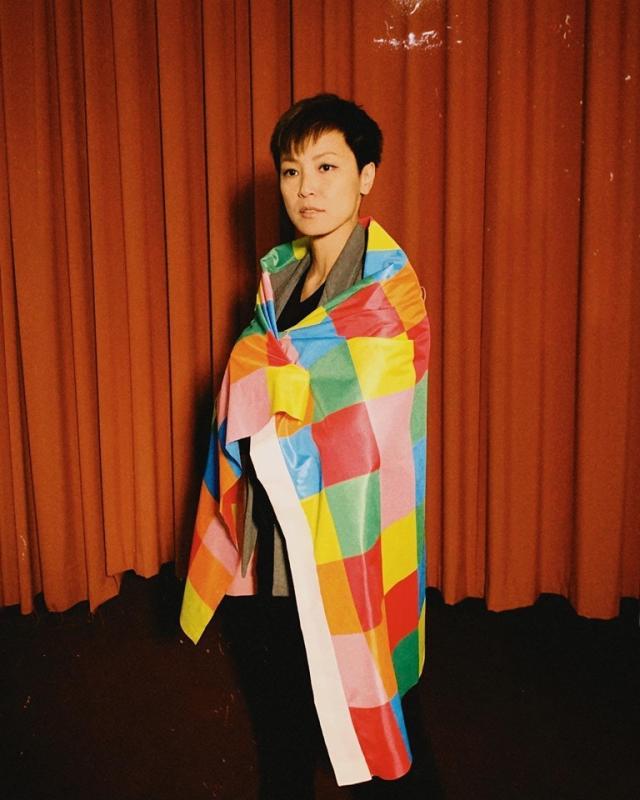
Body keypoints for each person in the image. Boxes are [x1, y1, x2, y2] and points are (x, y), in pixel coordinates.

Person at [180, 94, 435, 799]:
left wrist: (281, 391)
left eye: (327, 167)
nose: (307, 188)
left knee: (376, 705)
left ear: (367, 176)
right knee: (280, 709)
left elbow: (373, 419)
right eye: (292, 171)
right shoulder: (279, 277)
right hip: (272, 535)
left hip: (345, 534)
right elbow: (254, 377)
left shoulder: (387, 292)